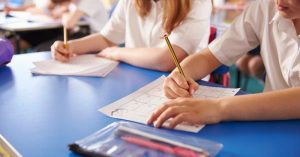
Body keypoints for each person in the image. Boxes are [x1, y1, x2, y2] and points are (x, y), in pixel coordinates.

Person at [147, 0, 300, 128]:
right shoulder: (264, 7)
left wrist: (219, 108)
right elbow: (209, 56)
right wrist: (180, 74)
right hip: (267, 123)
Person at [51, 0, 212, 71]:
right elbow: (107, 38)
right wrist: (71, 46)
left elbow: (168, 59)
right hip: (136, 78)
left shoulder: (197, 2)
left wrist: (117, 52)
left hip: (181, 86)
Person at [35, 0, 109, 51]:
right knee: (43, 45)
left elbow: (69, 23)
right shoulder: (75, 3)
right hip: (83, 32)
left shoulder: (88, 1)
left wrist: (65, 10)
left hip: (96, 36)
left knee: (43, 49)